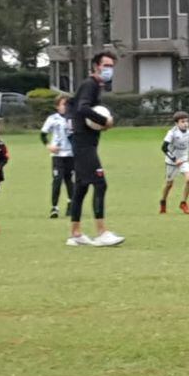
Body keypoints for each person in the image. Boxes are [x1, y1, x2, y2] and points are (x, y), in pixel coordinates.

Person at [66, 51, 125, 247]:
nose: (109, 70)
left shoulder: (94, 87)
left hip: (85, 141)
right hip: (83, 145)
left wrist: (98, 125)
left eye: (111, 66)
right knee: (100, 184)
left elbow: (72, 105)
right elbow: (82, 107)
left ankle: (75, 234)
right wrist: (104, 121)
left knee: (81, 188)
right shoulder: (90, 84)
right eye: (106, 65)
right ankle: (101, 233)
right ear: (96, 66)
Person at [160, 111, 189, 215]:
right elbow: (164, 148)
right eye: (182, 122)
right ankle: (163, 201)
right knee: (169, 184)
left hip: (184, 160)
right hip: (171, 162)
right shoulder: (172, 133)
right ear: (176, 123)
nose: (185, 123)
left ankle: (183, 203)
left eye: (187, 121)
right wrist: (174, 159)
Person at [41, 94, 74, 218]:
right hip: (58, 155)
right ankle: (54, 208)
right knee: (57, 180)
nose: (65, 107)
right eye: (63, 104)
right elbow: (43, 135)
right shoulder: (52, 118)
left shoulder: (73, 118)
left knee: (70, 181)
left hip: (71, 154)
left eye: (67, 104)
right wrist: (49, 146)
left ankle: (71, 204)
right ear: (57, 106)